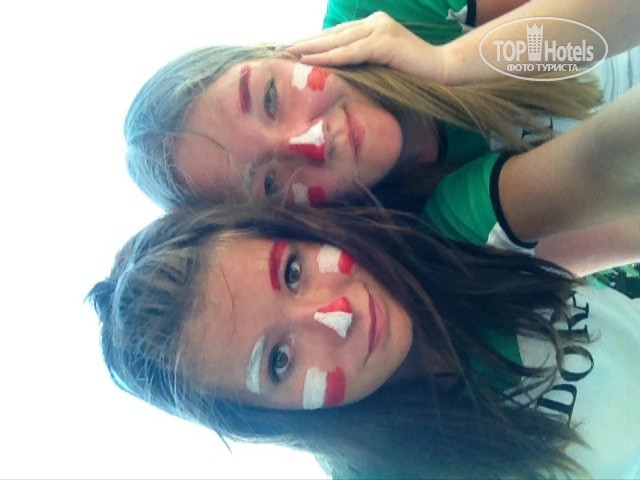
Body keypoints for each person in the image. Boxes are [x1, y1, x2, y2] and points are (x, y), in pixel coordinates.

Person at [88, 201, 640, 479]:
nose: (335, 317)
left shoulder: (454, 229)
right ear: (271, 416)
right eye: (279, 360)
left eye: (294, 272)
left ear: (300, 231)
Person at [123, 1, 639, 279]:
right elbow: (628, 230)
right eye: (271, 181)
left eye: (271, 98)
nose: (310, 141)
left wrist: (450, 64)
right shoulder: (426, 246)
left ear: (280, 53)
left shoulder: (379, 7)